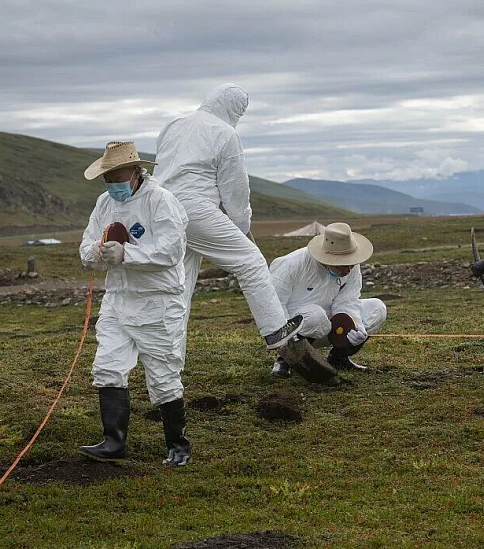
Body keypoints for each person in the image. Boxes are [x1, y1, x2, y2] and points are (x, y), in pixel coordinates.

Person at [153, 83, 302, 351]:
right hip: (194, 208)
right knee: (251, 261)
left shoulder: (174, 124)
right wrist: (241, 227)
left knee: (179, 287)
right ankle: (275, 329)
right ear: (235, 109)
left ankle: (168, 357)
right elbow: (235, 188)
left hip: (160, 208)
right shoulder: (226, 133)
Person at [78, 141, 192, 466]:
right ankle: (113, 442)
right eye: (106, 177)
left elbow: (171, 251)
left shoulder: (161, 202)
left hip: (158, 303)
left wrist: (127, 254)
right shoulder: (104, 203)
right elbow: (86, 246)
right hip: (118, 300)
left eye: (116, 176)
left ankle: (178, 446)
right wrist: (98, 253)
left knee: (163, 373)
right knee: (107, 366)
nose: (111, 184)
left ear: (135, 171)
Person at [269, 222, 387, 377]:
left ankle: (339, 358)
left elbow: (349, 300)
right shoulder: (291, 264)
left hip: (328, 324)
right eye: (342, 265)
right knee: (316, 316)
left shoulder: (350, 265)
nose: (348, 270)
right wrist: (283, 342)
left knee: (377, 308)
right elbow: (274, 305)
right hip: (296, 326)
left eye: (351, 264)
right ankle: (286, 360)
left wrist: (355, 325)